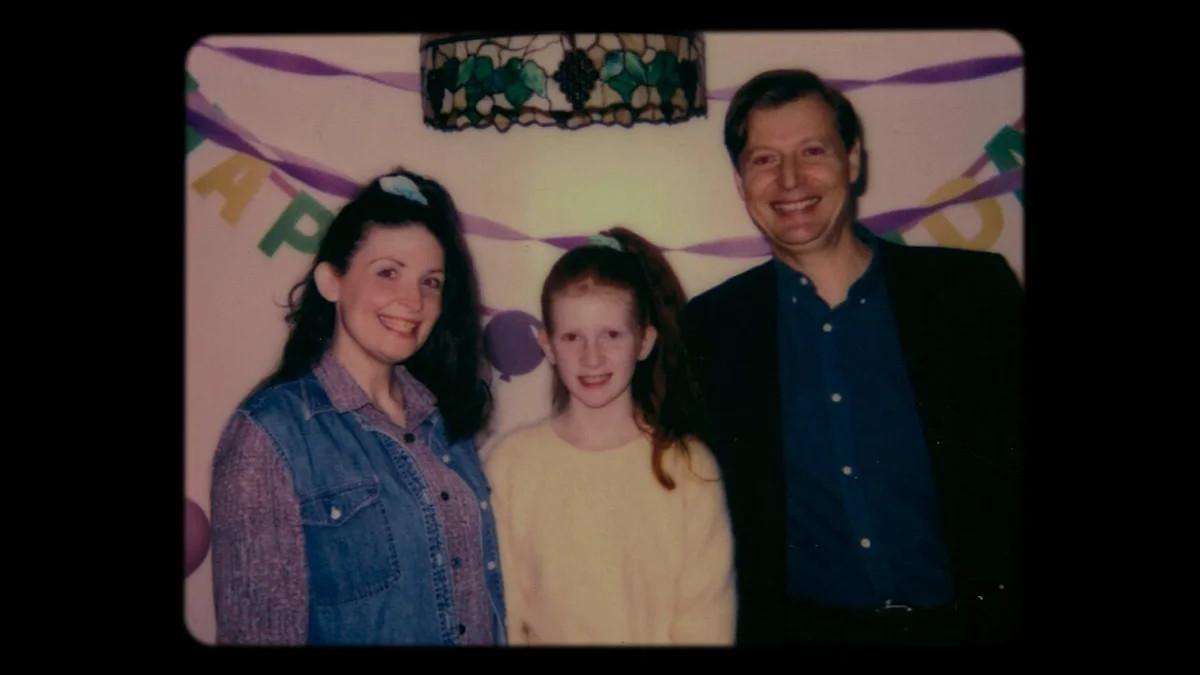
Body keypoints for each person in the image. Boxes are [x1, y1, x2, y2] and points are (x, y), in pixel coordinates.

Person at [684, 69, 1022, 645]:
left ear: (853, 159)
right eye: (764, 159)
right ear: (740, 181)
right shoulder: (709, 329)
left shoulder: (973, 293)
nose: (790, 179)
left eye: (813, 151)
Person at [209, 168, 505, 645]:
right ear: (332, 281)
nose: (412, 300)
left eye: (431, 282)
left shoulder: (444, 423)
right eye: (388, 272)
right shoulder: (267, 436)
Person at [484, 227, 736, 645]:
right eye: (572, 337)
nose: (592, 357)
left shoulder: (689, 467)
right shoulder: (510, 465)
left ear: (644, 341)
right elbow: (505, 616)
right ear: (547, 345)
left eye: (612, 335)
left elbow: (706, 620)